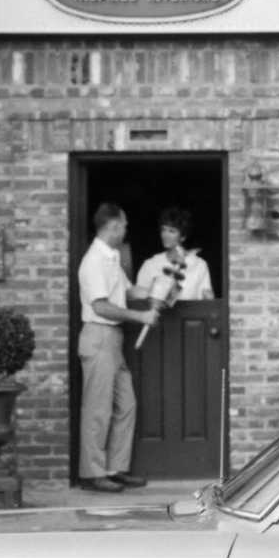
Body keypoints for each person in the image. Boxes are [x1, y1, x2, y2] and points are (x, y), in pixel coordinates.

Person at [76, 203, 159, 492]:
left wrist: (159, 293)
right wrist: (140, 316)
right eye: (123, 225)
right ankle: (92, 473)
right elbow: (101, 306)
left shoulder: (111, 259)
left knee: (126, 405)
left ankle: (115, 468)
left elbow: (129, 290)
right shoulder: (94, 261)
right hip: (99, 335)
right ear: (113, 226)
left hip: (114, 340)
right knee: (98, 408)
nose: (125, 230)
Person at [134, 207, 215, 306]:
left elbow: (207, 301)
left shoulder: (199, 265)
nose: (165, 235)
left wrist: (210, 298)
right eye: (163, 230)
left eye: (172, 231)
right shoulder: (150, 264)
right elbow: (138, 300)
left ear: (183, 237)